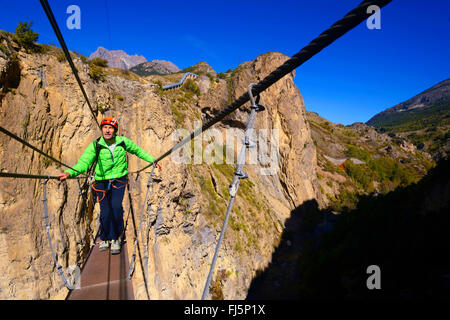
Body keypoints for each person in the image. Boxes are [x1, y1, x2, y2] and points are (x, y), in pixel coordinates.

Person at [58, 116, 161, 254]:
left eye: (110, 128)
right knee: (105, 211)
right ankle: (105, 237)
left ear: (115, 130)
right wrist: (70, 173)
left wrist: (152, 160)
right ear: (102, 129)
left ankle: (115, 238)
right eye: (105, 127)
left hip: (119, 180)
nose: (107, 130)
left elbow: (138, 151)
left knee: (116, 208)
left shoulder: (123, 142)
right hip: (101, 181)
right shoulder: (96, 145)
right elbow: (84, 163)